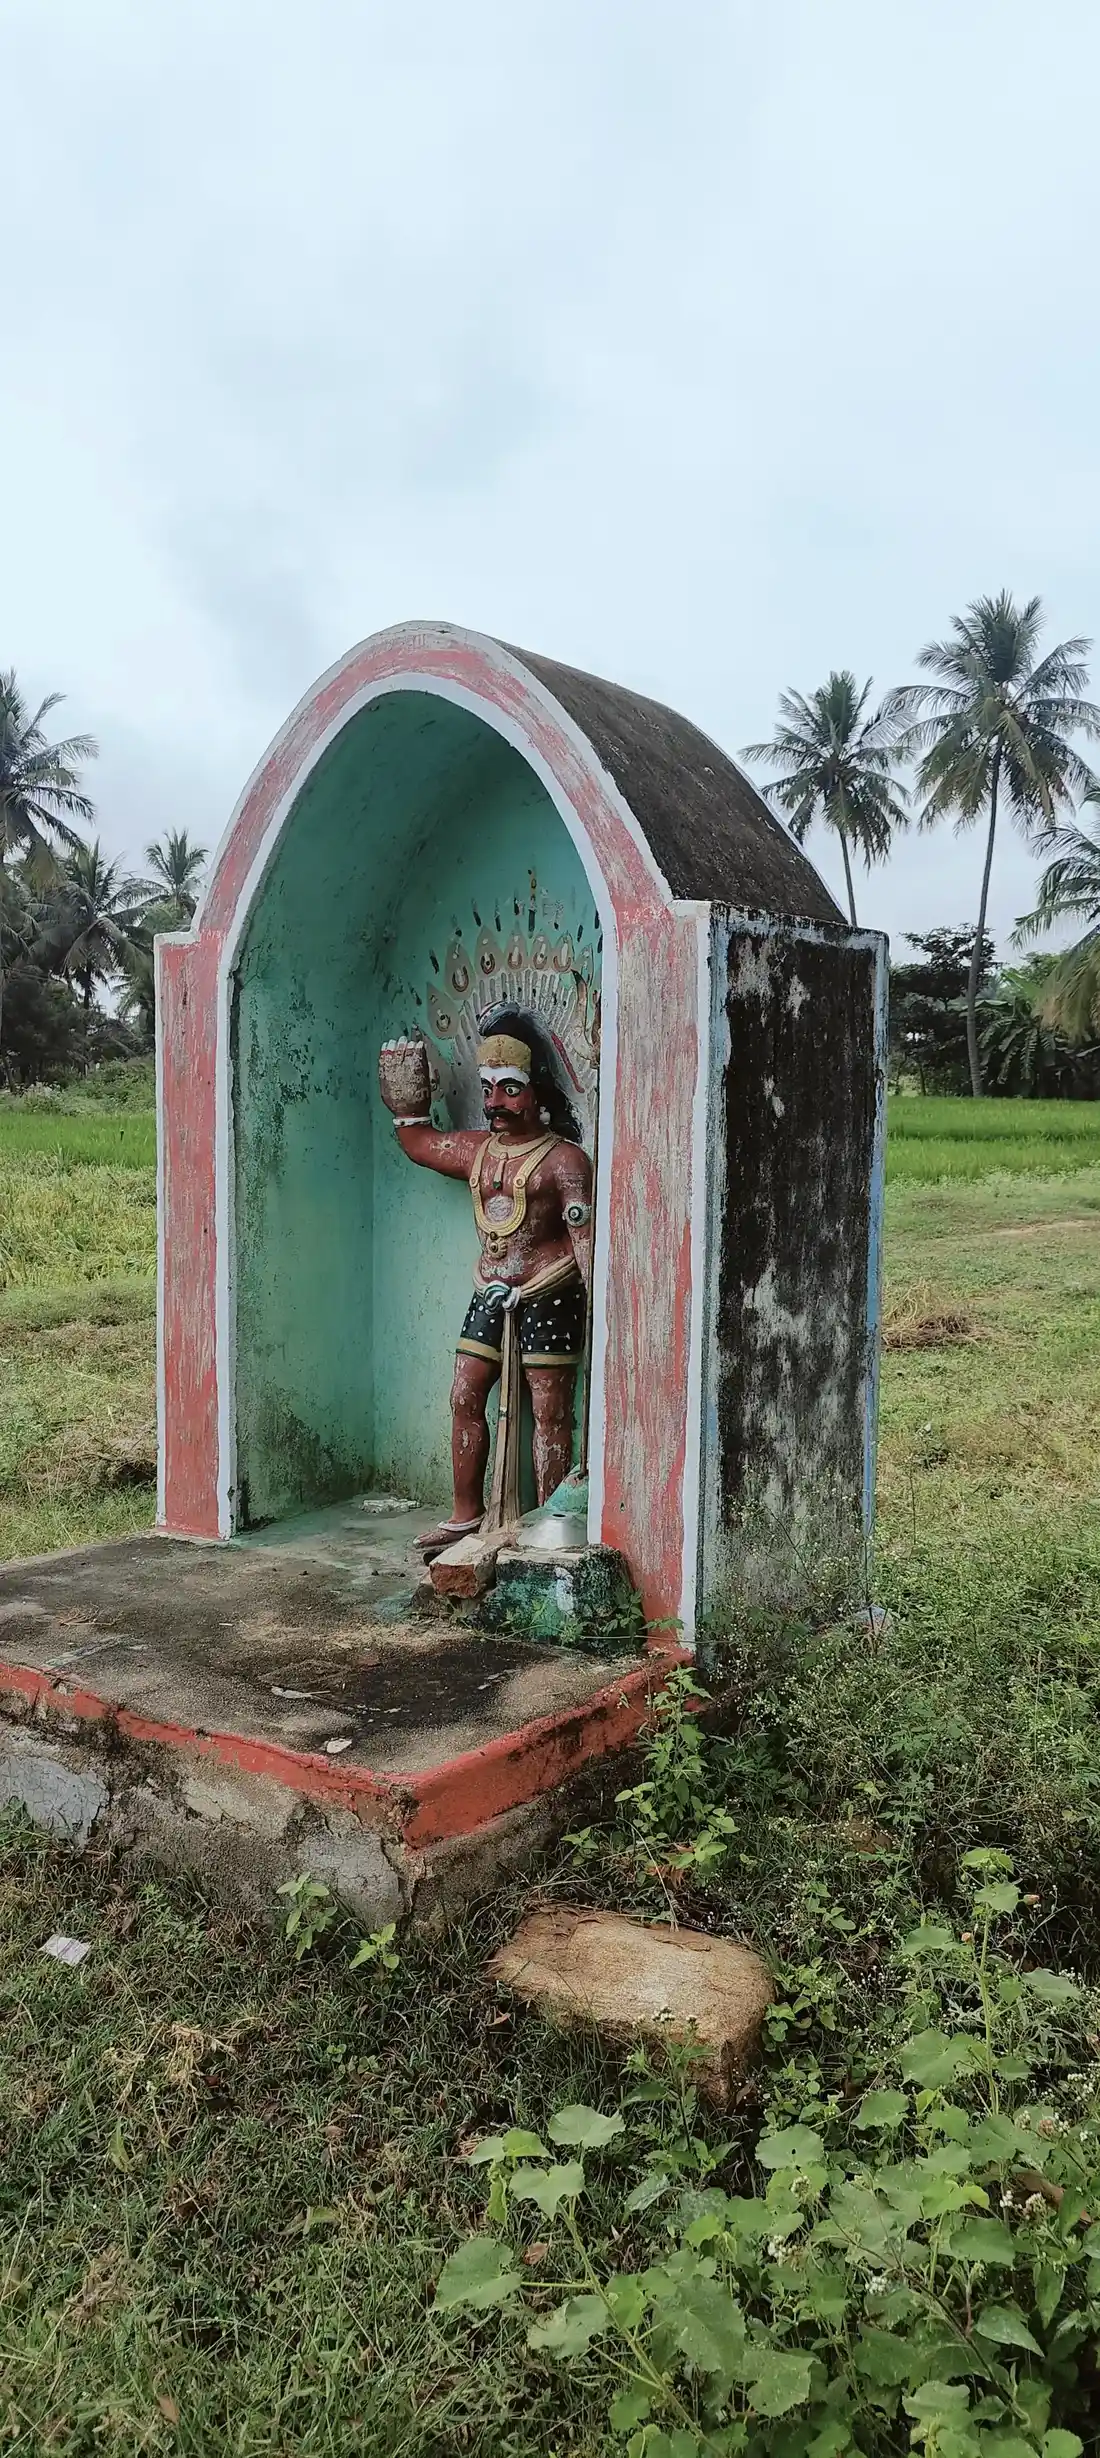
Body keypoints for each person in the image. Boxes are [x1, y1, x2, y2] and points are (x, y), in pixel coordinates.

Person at [377, 1025, 593, 1555]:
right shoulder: (478, 1151)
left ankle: (549, 1521)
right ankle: (465, 1515)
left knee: (550, 1413)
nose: (495, 1101)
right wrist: (407, 1107)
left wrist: (594, 1310)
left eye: (509, 1088)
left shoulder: (564, 1161)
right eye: (488, 1087)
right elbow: (421, 1144)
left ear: (537, 1092)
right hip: (489, 1291)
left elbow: (583, 1245)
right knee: (465, 1394)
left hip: (549, 1293)